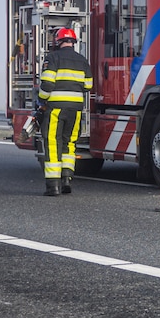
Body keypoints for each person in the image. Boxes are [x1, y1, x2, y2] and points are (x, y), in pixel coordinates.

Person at [38, 27, 93, 196]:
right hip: (75, 109)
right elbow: (88, 86)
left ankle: (53, 186)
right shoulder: (82, 60)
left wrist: (42, 100)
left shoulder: (52, 58)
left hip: (56, 108)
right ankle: (67, 179)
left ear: (58, 41)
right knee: (69, 142)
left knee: (53, 142)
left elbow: (47, 84)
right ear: (73, 42)